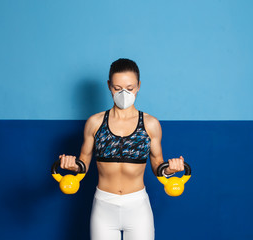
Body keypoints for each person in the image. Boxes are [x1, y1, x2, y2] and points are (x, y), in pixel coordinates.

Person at [59, 58, 185, 240]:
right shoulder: (94, 123)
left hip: (138, 207)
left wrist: (169, 169)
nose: (123, 93)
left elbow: (158, 164)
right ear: (109, 86)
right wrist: (72, 166)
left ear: (139, 86)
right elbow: (83, 163)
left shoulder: (150, 124)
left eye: (130, 88)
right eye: (117, 88)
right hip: (104, 206)